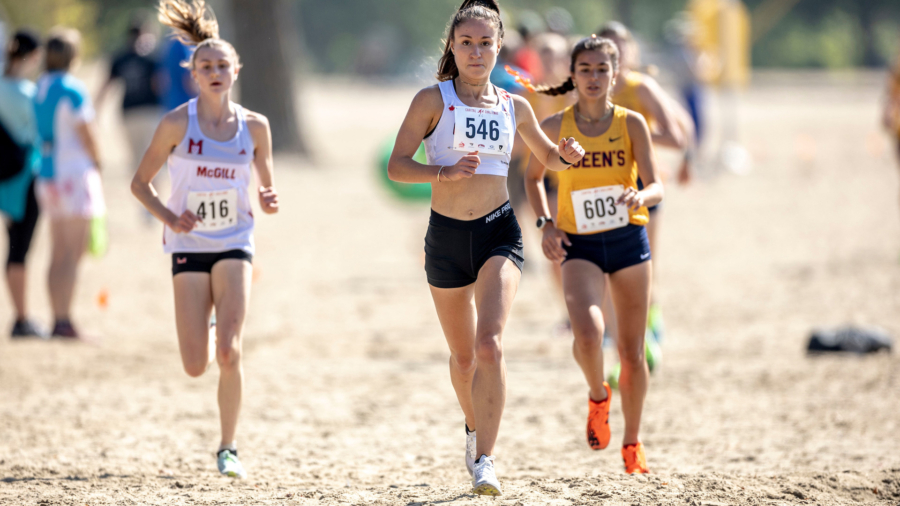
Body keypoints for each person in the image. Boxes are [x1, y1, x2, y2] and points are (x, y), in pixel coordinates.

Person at [387, 0, 584, 495]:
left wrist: (567, 155)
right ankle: (474, 430)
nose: (476, 52)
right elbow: (396, 166)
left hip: (500, 232)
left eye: (485, 43)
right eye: (467, 42)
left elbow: (549, 157)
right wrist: (442, 172)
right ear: (452, 47)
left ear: (499, 48)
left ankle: (486, 461)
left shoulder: (514, 105)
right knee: (463, 359)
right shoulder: (431, 101)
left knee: (489, 345)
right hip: (446, 239)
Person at [131, 0, 279, 479]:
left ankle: (228, 447)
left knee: (230, 353)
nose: (215, 73)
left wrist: (269, 197)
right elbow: (140, 184)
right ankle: (212, 328)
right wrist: (169, 217)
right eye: (206, 67)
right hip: (189, 246)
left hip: (235, 243)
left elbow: (266, 184)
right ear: (193, 75)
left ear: (236, 70)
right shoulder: (177, 123)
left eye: (222, 66)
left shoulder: (255, 126)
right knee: (195, 365)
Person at [524, 35, 662, 474]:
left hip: (628, 242)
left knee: (632, 352)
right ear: (572, 75)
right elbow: (532, 178)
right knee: (587, 335)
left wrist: (641, 196)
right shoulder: (555, 126)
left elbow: (656, 185)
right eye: (585, 69)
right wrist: (546, 224)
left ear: (614, 75)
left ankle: (632, 442)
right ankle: (598, 396)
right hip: (579, 244)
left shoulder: (631, 124)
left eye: (602, 69)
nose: (593, 77)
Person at [597, 21, 695, 347]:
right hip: (600, 185)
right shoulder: (588, 86)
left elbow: (677, 134)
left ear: (631, 51)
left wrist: (632, 134)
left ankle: (650, 320)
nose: (614, 53)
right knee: (604, 263)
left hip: (641, 183)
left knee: (643, 262)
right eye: (607, 46)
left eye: (620, 46)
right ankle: (616, 331)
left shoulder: (641, 88)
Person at [33, 27, 105, 339]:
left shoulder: (40, 86)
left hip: (47, 175)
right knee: (73, 254)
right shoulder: (72, 88)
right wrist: (99, 163)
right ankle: (65, 320)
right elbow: (87, 133)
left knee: (57, 251)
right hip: (73, 174)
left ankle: (57, 318)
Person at [0, 30, 44, 338]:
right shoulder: (29, 93)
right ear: (33, 56)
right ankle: (22, 317)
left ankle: (21, 315)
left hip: (4, 177)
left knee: (13, 244)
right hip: (24, 176)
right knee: (19, 248)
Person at [95, 13, 162, 173]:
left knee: (136, 157)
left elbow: (106, 86)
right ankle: (152, 187)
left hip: (129, 112)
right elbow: (159, 84)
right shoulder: (152, 57)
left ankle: (139, 186)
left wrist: (97, 109)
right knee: (153, 156)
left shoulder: (120, 58)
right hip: (150, 110)